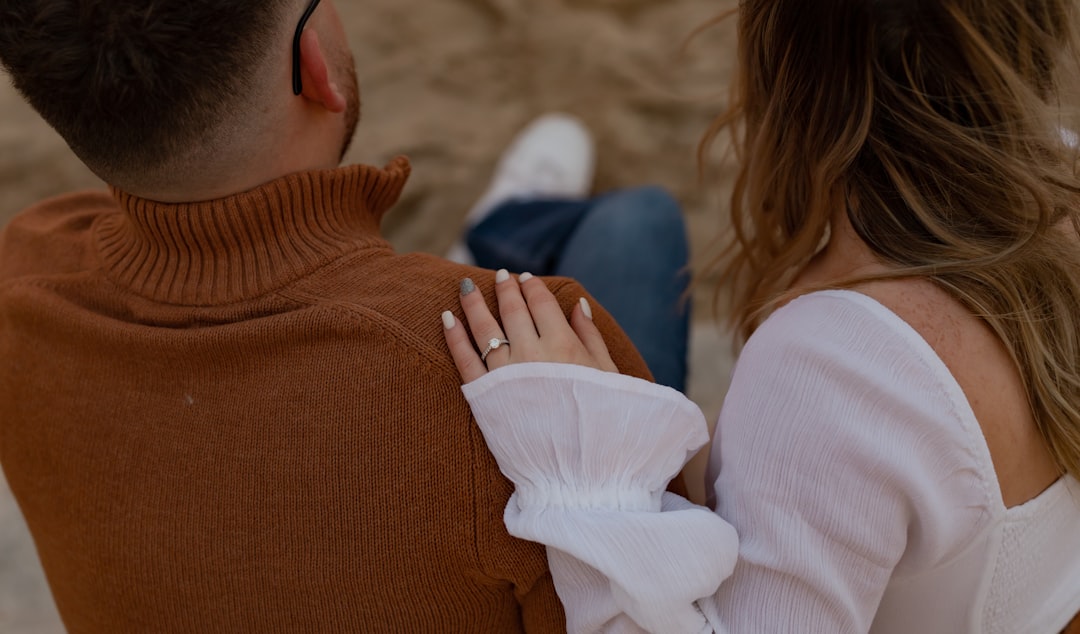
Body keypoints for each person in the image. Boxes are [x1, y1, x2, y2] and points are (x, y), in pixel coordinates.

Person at [0, 1, 680, 630]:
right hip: (496, 360)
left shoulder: (22, 281)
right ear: (317, 71)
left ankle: (493, 235)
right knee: (636, 224)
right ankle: (497, 236)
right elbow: (675, 593)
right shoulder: (518, 403)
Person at [440, 0, 1080, 632]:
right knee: (636, 224)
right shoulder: (1059, 189)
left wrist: (582, 476)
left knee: (631, 230)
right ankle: (508, 227)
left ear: (785, 65)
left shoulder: (833, 368)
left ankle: (498, 237)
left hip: (643, 585)